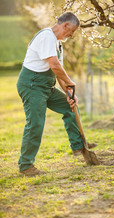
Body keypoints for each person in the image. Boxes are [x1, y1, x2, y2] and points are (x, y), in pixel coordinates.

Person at [17, 12, 96, 177]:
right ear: (66, 25)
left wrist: (69, 92)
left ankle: (78, 145)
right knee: (36, 123)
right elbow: (54, 65)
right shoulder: (47, 37)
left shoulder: (58, 43)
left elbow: (58, 71)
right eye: (71, 31)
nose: (71, 35)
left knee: (70, 106)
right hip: (32, 85)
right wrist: (71, 82)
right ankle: (25, 165)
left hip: (45, 86)